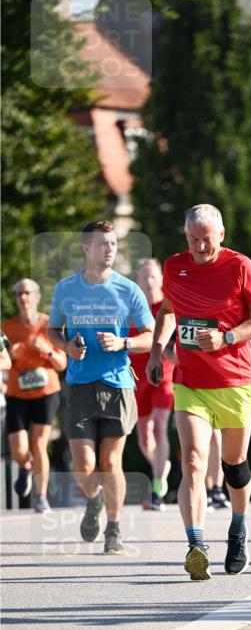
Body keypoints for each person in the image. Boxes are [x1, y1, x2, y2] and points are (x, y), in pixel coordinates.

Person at [146, 204, 251, 580]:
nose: (200, 247)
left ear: (221, 234)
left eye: (207, 239)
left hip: (235, 382)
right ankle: (196, 545)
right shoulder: (175, 267)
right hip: (190, 382)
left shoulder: (241, 267)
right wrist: (156, 351)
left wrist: (226, 337)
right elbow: (168, 310)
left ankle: (238, 528)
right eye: (193, 240)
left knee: (234, 467)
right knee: (192, 461)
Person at [48, 221, 154, 554]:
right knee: (83, 465)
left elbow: (151, 336)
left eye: (113, 244)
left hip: (118, 385)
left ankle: (114, 529)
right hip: (79, 385)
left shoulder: (128, 290)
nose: (109, 250)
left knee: (111, 462)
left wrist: (124, 342)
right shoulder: (66, 289)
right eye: (101, 244)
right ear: (85, 248)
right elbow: (53, 331)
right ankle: (94, 500)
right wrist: (67, 348)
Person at [4, 279, 67, 512]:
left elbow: (62, 364)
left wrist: (48, 350)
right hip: (16, 393)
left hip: (46, 392)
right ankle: (26, 465)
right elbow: (2, 362)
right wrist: (10, 357)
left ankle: (41, 497)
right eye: (19, 293)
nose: (23, 297)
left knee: (39, 444)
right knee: (18, 449)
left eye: (28, 293)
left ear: (37, 297)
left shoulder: (50, 325)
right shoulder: (7, 328)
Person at [130, 258, 175, 512]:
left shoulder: (168, 307)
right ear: (137, 281)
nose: (148, 282)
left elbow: (176, 343)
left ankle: (157, 489)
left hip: (162, 374)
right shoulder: (132, 309)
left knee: (159, 428)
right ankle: (161, 465)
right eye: (144, 277)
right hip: (138, 378)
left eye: (153, 276)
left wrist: (168, 350)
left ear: (161, 279)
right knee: (144, 438)